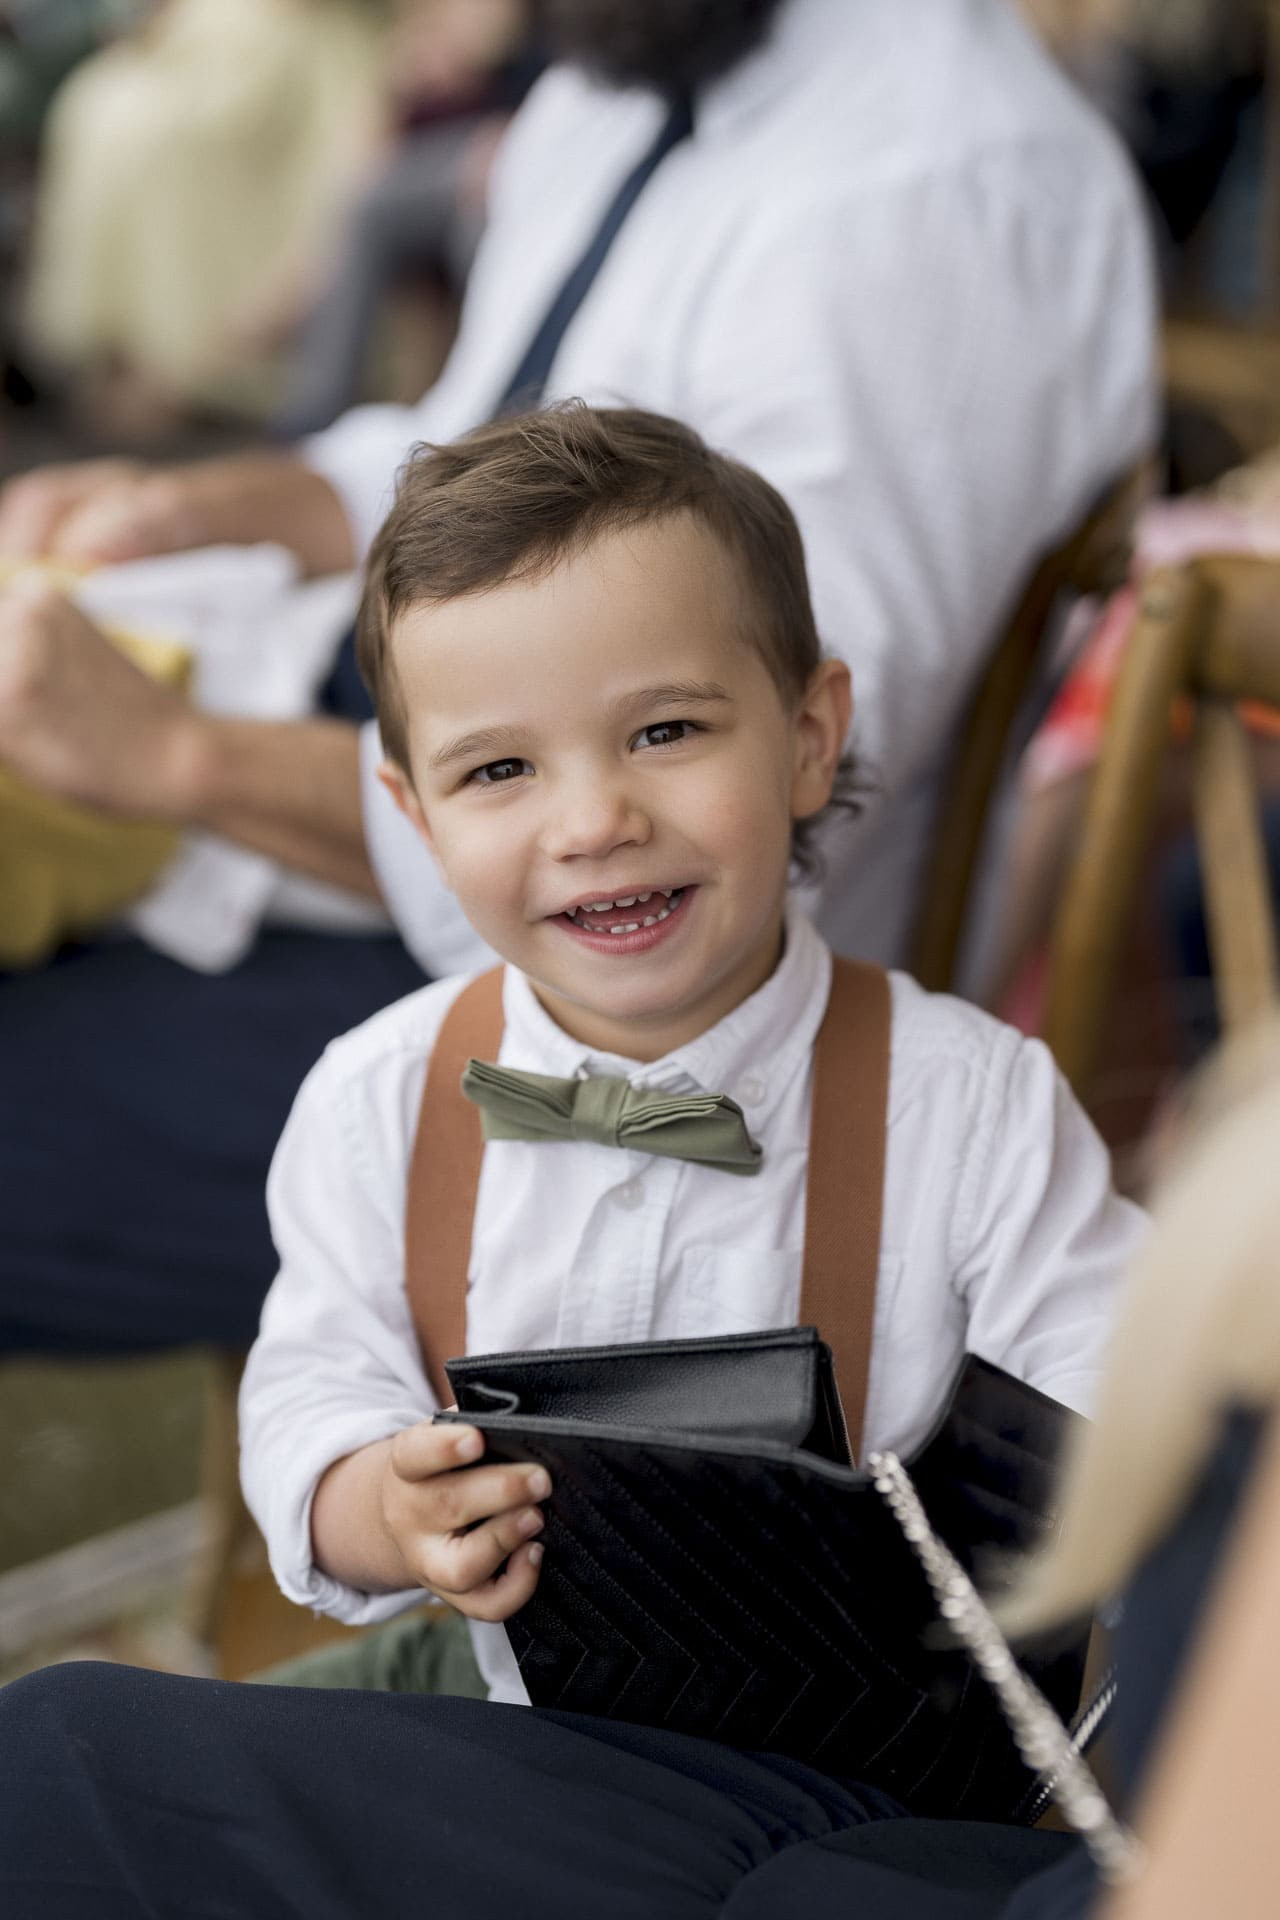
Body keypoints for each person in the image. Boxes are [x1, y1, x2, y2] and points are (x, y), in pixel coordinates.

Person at [2, 416, 1277, 1920]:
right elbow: (312, 1387)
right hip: (530, 1752)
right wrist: (375, 1502)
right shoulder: (378, 1099)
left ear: (809, 737)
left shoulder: (962, 1098)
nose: (595, 820)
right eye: (498, 771)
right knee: (55, 1761)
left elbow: (1136, 1406)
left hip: (882, 1786)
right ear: (410, 816)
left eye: (666, 732)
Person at [0, 0, 1157, 1350]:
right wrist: (202, 506)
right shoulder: (617, 85)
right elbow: (459, 453)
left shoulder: (938, 185)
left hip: (672, 1088)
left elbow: (748, 827)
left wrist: (180, 761)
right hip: (420, 902)